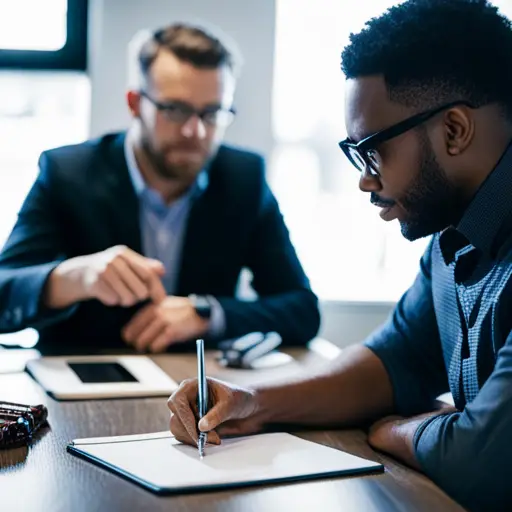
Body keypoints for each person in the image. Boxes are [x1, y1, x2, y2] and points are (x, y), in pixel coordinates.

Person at [168, 1, 512, 510]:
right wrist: (254, 402)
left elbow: (483, 462)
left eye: (373, 150)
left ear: (455, 131)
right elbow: (395, 362)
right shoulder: (451, 237)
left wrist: (395, 431)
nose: (365, 179)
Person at [0, 23, 320, 355]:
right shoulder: (68, 173)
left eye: (212, 113)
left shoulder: (244, 178)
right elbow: (3, 290)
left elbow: (302, 309)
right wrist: (74, 278)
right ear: (135, 104)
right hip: (83, 384)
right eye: (175, 110)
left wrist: (205, 313)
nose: (195, 131)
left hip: (200, 389)